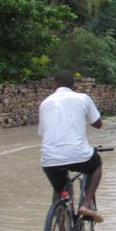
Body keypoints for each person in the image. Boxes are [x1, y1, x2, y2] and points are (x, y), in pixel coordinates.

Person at [38, 70, 104, 222]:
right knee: (96, 165)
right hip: (79, 154)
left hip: (49, 158)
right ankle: (86, 205)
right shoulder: (82, 98)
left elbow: (44, 132)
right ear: (73, 85)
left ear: (55, 84)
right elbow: (98, 124)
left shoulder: (45, 103)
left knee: (58, 189)